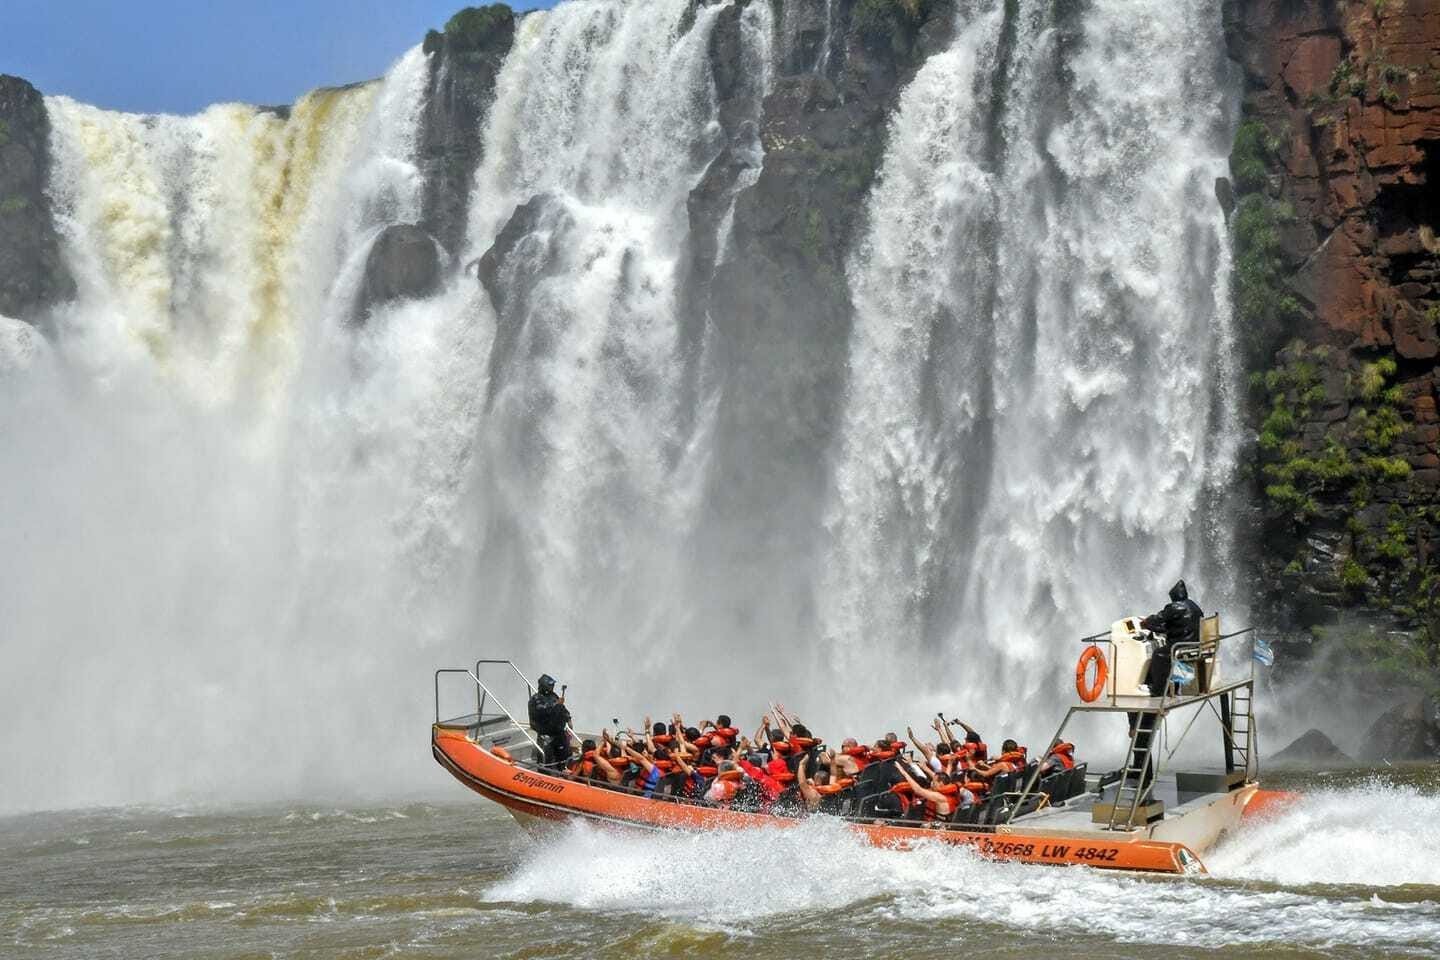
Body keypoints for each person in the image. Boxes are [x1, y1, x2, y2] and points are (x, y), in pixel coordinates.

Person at [1140, 579, 1203, 694]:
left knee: (1159, 654)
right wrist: (1156, 628)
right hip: (1195, 644)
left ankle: (1157, 689)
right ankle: (1170, 688)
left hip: (1181, 645)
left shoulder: (1174, 607)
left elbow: (1158, 618)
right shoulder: (1195, 606)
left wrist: (1146, 622)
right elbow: (1177, 626)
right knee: (1166, 653)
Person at [526, 674, 572, 767]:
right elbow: (542, 711)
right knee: (546, 759)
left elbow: (562, 708)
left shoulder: (553, 696)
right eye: (550, 685)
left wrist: (568, 718)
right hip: (546, 733)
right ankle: (544, 775)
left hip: (558, 732)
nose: (552, 687)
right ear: (544, 686)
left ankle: (563, 771)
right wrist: (557, 704)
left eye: (553, 685)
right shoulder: (535, 699)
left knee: (566, 756)